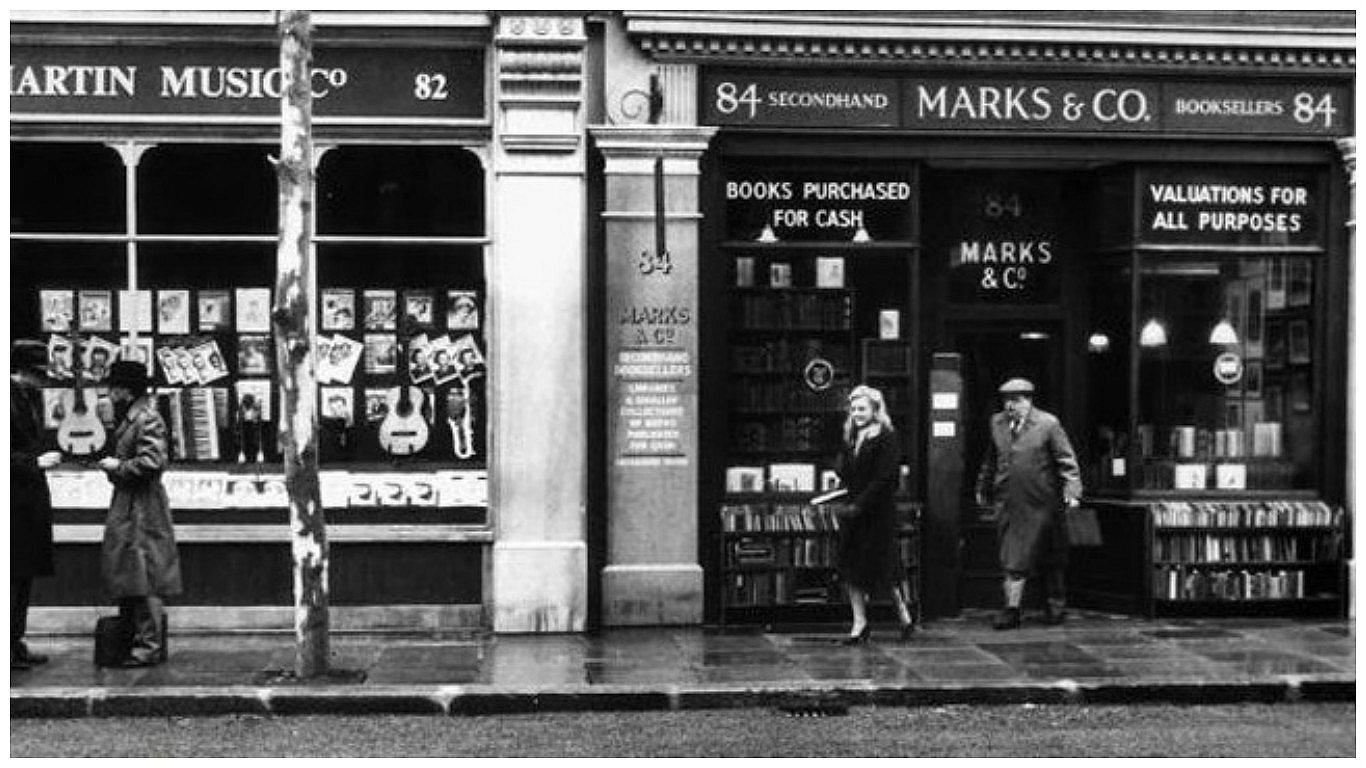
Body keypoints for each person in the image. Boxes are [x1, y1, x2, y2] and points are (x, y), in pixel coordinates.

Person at [974, 378, 1083, 630]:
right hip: (1008, 501)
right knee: (1012, 557)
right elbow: (991, 459)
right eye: (1006, 401)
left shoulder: (1048, 424)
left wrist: (1072, 492)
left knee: (1050, 555)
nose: (1010, 406)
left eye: (1017, 400)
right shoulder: (997, 423)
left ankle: (1054, 606)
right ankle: (1012, 609)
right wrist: (982, 486)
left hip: (1041, 501)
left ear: (1029, 400)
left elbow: (1066, 460)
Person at [96, 360, 182, 666]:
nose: (110, 393)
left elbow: (152, 462)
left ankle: (148, 646)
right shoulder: (133, 417)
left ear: (125, 389)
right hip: (132, 504)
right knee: (132, 573)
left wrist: (117, 467)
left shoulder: (146, 418)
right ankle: (138, 642)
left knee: (146, 575)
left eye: (114, 387)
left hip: (143, 506)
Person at [832, 385, 914, 644]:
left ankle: (903, 614)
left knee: (883, 568)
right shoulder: (852, 436)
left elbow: (885, 477)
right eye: (853, 409)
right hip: (853, 512)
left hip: (877, 513)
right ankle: (860, 624)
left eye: (862, 409)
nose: (857, 414)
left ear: (875, 410)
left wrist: (861, 504)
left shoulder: (887, 437)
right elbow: (847, 473)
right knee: (849, 568)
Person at [11, 340, 63, 670]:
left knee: (22, 576)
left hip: (26, 502)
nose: (42, 383)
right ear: (23, 373)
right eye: (38, 376)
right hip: (12, 502)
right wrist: (36, 462)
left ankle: (14, 642)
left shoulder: (26, 398)